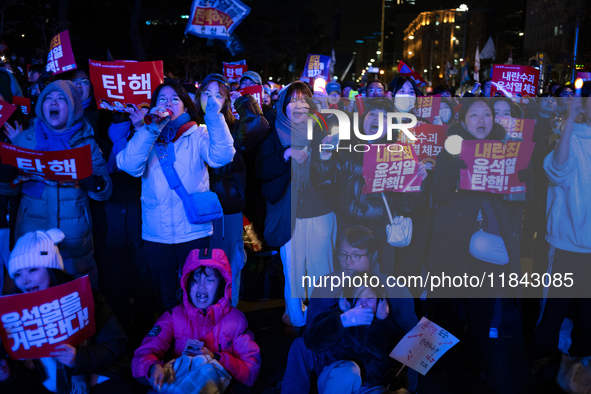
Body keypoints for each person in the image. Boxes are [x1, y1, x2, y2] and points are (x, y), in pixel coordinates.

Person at [428, 98, 531, 375]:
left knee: (482, 307)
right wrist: (454, 165)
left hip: (491, 245)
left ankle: (477, 364)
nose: (482, 119)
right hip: (453, 241)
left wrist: (519, 181)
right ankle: (444, 365)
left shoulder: (507, 151)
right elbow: (439, 193)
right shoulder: (450, 150)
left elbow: (521, 195)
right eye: (474, 115)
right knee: (448, 304)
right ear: (463, 122)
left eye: (487, 114)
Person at [117, 81, 235, 313]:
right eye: (162, 99)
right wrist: (149, 129)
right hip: (156, 234)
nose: (167, 103)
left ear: (185, 106)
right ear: (153, 106)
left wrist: (213, 117)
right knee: (166, 294)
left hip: (194, 230)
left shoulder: (198, 133)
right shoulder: (147, 135)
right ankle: (171, 341)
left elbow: (221, 157)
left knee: (198, 291)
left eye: (174, 99)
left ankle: (195, 340)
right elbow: (128, 165)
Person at [0, 229, 140, 394]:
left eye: (33, 270)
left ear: (51, 268)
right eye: (17, 274)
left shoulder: (84, 296)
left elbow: (117, 344)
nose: (25, 280)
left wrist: (78, 357)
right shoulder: (14, 312)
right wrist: (9, 371)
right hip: (51, 387)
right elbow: (27, 376)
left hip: (100, 380)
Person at [0, 80, 113, 286]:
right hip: (31, 236)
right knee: (37, 298)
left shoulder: (87, 143)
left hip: (75, 238)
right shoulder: (24, 140)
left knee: (78, 298)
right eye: (49, 98)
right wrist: (5, 178)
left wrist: (95, 183)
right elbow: (9, 190)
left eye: (62, 99)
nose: (54, 102)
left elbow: (104, 190)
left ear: (73, 108)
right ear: (41, 104)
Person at [311, 98, 428, 279]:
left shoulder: (400, 153)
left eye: (383, 116)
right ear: (363, 119)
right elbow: (324, 186)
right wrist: (324, 157)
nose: (376, 119)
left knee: (380, 286)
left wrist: (418, 181)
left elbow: (406, 205)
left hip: (380, 233)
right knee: (347, 285)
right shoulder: (344, 147)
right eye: (372, 114)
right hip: (348, 230)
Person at [257, 82, 337, 335]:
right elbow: (262, 172)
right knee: (293, 273)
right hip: (288, 215)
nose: (299, 105)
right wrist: (286, 154)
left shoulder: (323, 130)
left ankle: (321, 321)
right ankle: (295, 320)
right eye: (293, 101)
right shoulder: (273, 134)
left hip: (321, 212)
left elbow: (331, 182)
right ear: (283, 105)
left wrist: (325, 158)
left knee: (320, 271)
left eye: (304, 100)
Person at [131, 248, 261, 392]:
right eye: (195, 279)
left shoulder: (235, 321)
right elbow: (144, 353)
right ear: (187, 284)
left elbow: (250, 370)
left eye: (210, 280)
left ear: (221, 286)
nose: (201, 286)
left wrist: (216, 358)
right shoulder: (173, 317)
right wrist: (152, 368)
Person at [530, 83, 591, 368]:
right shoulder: (572, 137)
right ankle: (543, 357)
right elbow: (558, 168)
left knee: (588, 310)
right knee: (555, 305)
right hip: (566, 241)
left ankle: (580, 363)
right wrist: (569, 122)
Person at [197, 73, 270, 307]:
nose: (212, 99)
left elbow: (259, 129)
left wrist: (245, 101)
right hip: (194, 210)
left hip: (227, 207)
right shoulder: (190, 127)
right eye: (207, 94)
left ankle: (229, 314)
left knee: (230, 262)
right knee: (200, 267)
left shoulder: (235, 127)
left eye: (218, 95)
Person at [284, 271, 409, 394]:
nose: (364, 302)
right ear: (347, 302)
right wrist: (344, 321)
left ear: (381, 302)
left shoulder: (388, 328)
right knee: (349, 372)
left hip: (370, 387)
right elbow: (311, 342)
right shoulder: (336, 318)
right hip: (337, 380)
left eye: (370, 298)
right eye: (357, 297)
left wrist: (394, 377)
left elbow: (397, 365)